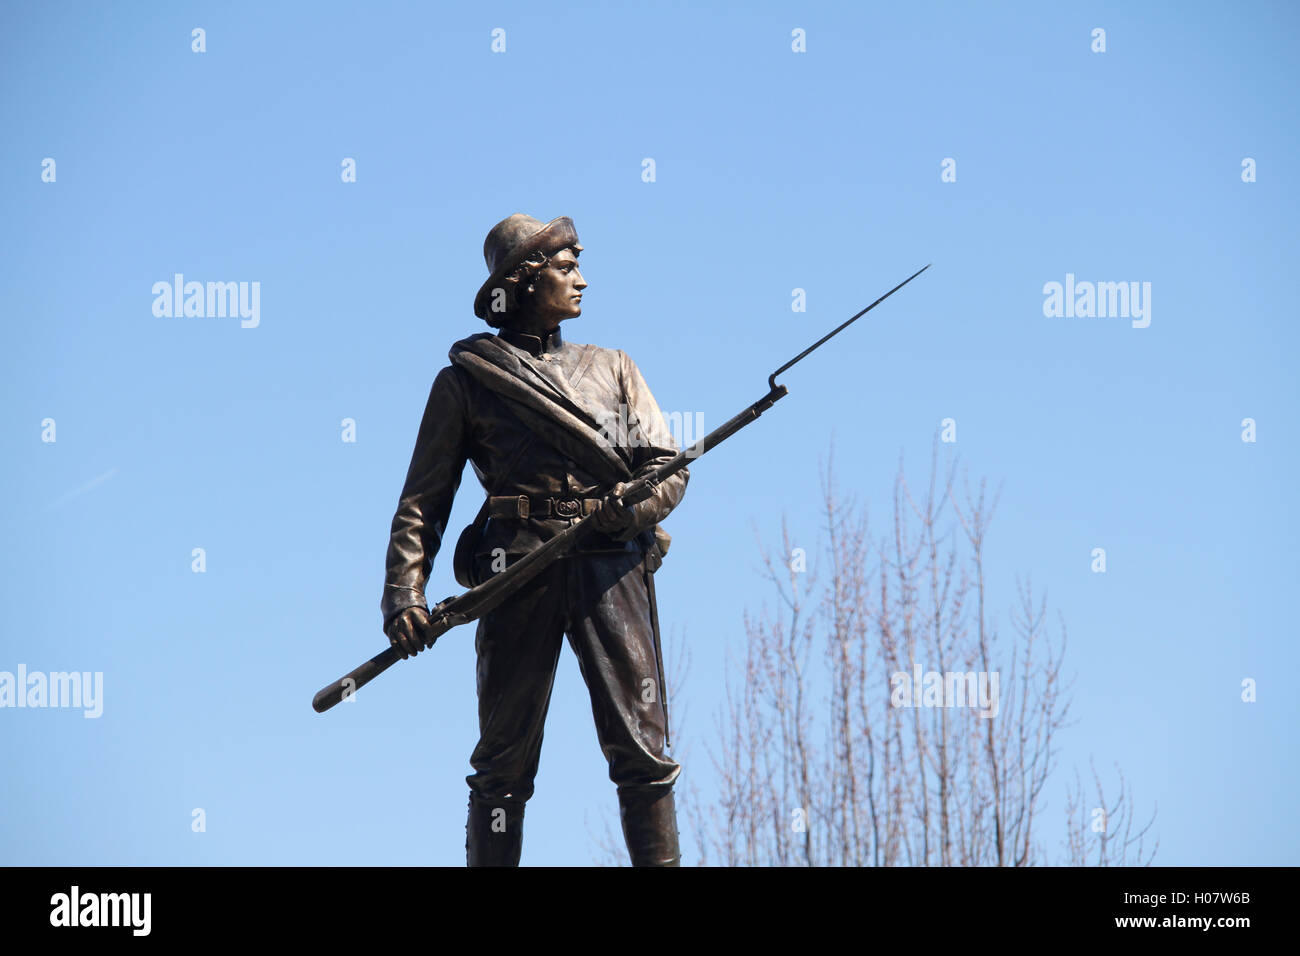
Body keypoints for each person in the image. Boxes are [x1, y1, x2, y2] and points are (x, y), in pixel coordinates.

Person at [380, 213, 688, 866]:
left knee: (643, 752)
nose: (583, 280)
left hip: (610, 566)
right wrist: (405, 594)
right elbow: (422, 502)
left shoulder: (614, 367)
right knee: (502, 764)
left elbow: (668, 467)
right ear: (525, 280)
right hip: (515, 568)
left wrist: (626, 513)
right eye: (567, 266)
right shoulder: (467, 381)